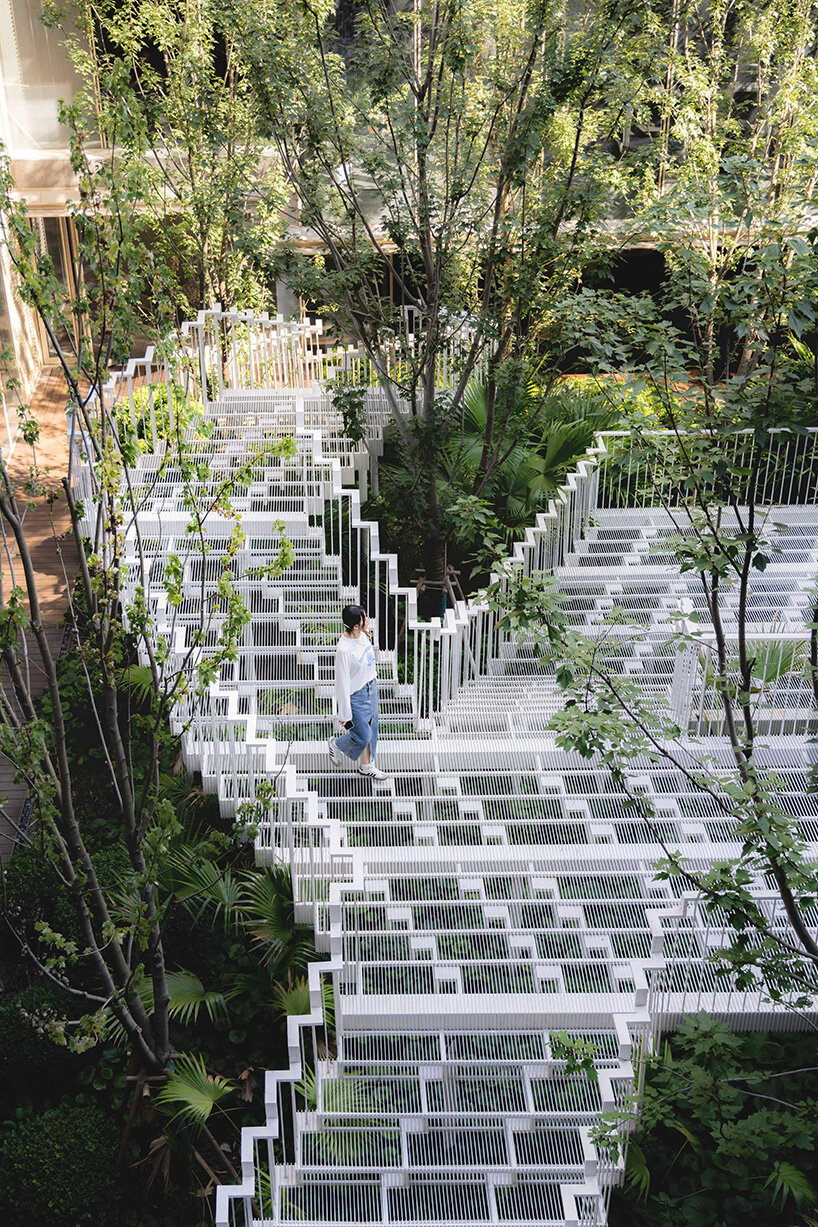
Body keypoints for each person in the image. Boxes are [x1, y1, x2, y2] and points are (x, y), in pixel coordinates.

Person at [328, 605, 389, 780]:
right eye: (364, 618)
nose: (367, 620)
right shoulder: (343, 650)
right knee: (362, 736)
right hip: (356, 695)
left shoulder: (362, 636)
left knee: (372, 729)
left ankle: (366, 766)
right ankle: (336, 744)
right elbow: (342, 683)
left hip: (371, 687)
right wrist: (344, 713)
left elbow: (367, 657)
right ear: (356, 625)